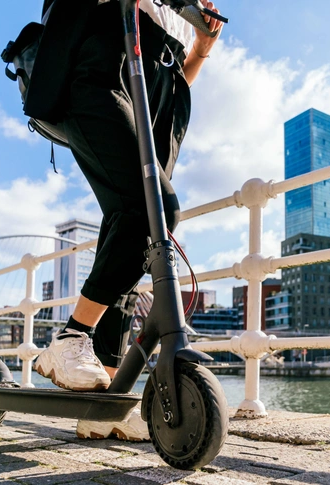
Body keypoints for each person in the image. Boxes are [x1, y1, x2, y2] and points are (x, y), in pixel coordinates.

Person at [33, 0, 223, 441]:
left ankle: (110, 401)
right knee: (154, 210)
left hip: (162, 88)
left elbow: (176, 76)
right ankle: (70, 338)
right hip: (106, 55)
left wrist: (201, 46)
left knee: (133, 235)